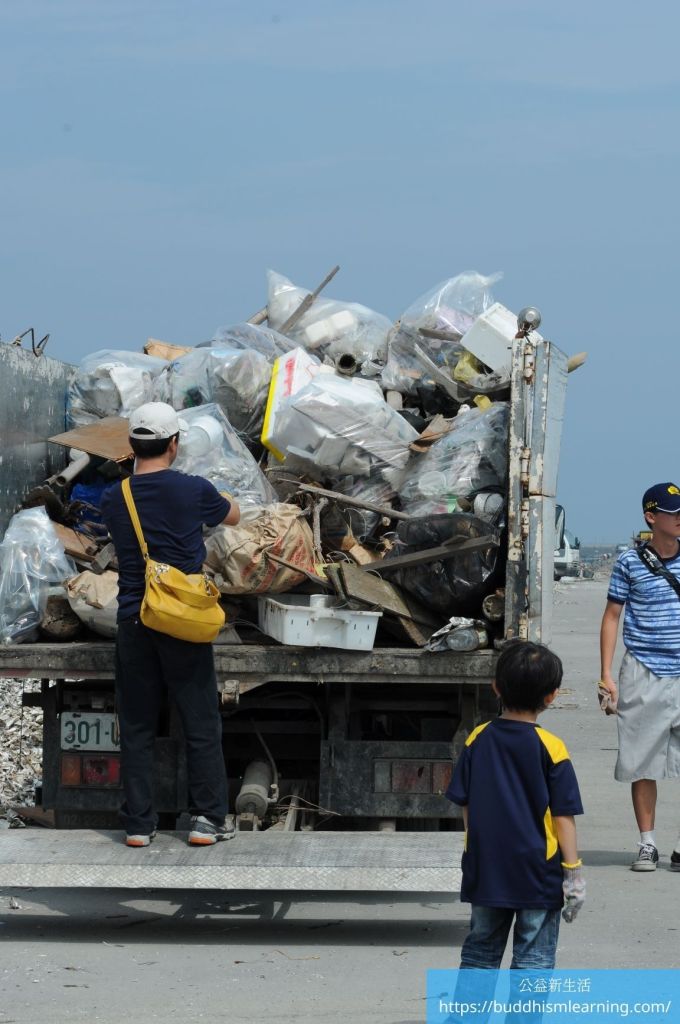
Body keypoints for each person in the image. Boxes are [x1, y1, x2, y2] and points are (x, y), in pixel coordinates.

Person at [101, 402, 240, 848]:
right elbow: (231, 516)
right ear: (175, 444)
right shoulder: (193, 490)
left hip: (134, 619)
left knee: (138, 724)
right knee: (200, 720)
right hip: (182, 618)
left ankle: (139, 826)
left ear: (132, 446)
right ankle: (206, 820)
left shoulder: (113, 497)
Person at [445, 640, 585, 978]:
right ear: (552, 695)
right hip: (537, 872)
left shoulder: (476, 739)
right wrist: (573, 872)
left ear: (495, 687)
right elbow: (562, 817)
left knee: (480, 951)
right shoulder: (552, 748)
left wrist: (475, 848)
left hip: (487, 867)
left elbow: (466, 804)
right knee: (533, 959)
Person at [599, 482, 680, 872]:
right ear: (652, 517)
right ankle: (647, 843)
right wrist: (606, 676)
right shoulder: (630, 563)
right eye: (673, 512)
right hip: (644, 668)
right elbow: (612, 617)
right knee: (642, 760)